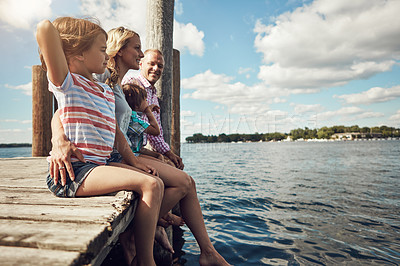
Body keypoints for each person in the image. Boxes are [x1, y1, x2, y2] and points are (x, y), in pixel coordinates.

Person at [50, 26, 230, 266]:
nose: (141, 55)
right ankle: (143, 235)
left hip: (121, 152)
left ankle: (201, 249)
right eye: (137, 49)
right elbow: (63, 110)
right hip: (108, 157)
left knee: (183, 182)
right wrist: (58, 139)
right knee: (176, 183)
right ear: (120, 50)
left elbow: (118, 128)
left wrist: (158, 153)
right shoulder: (101, 74)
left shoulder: (115, 82)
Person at [36, 17, 163, 266]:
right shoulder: (68, 84)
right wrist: (75, 35)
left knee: (155, 179)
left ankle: (141, 248)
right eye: (102, 49)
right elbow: (44, 29)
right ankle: (147, 262)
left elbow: (116, 133)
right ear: (80, 53)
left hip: (100, 165)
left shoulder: (104, 90)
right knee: (151, 186)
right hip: (76, 173)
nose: (107, 56)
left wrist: (134, 161)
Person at [122, 50, 184, 170]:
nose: (156, 68)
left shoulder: (153, 95)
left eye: (160, 66)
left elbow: (156, 134)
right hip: (127, 152)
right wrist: (147, 111)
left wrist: (169, 153)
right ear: (141, 64)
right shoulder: (131, 84)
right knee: (180, 178)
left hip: (139, 149)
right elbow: (127, 120)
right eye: (151, 64)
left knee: (173, 166)